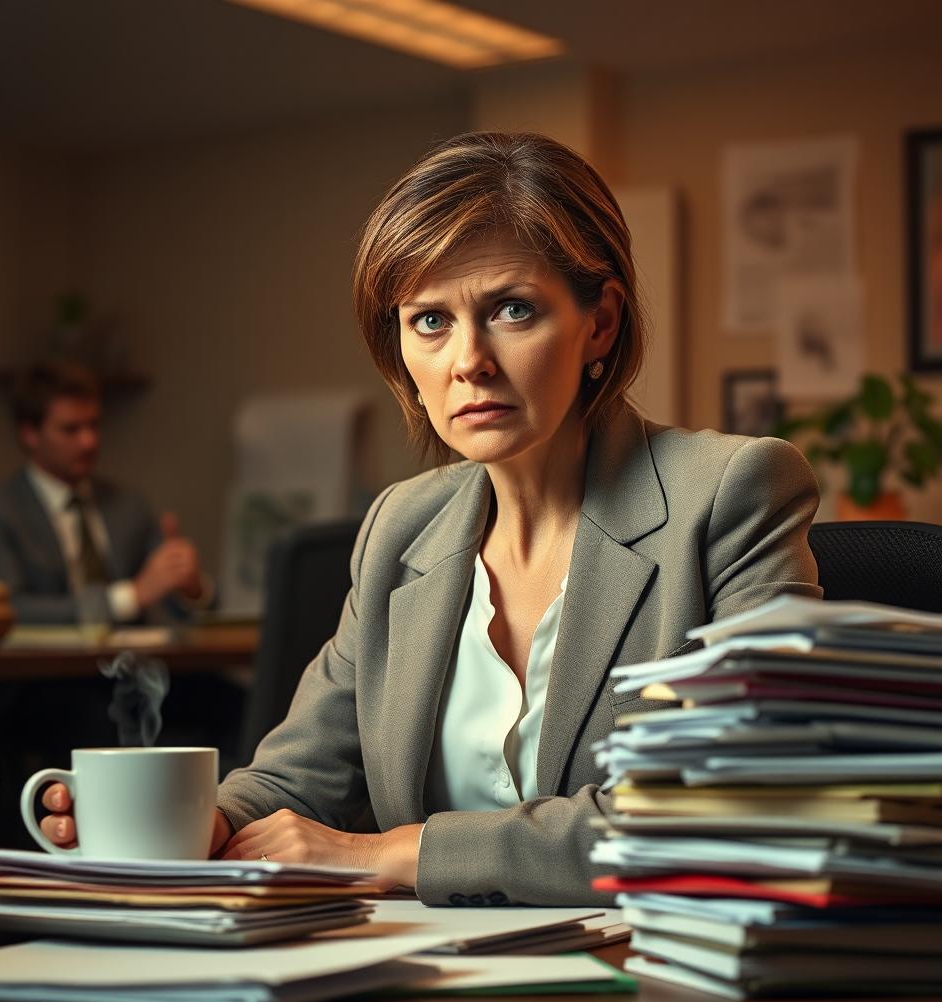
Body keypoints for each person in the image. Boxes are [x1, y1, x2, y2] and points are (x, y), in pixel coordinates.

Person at [40, 132, 821, 905]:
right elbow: (300, 775)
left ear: (601, 322)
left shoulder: (731, 491)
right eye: (430, 321)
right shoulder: (399, 529)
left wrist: (397, 851)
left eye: (512, 309)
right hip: (422, 981)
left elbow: (737, 807)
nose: (467, 361)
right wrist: (199, 825)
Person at [0, 360, 208, 624]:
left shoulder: (128, 505)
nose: (89, 441)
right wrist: (129, 597)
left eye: (94, 425)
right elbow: (8, 609)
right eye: (71, 429)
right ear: (30, 434)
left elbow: (184, 605)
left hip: (131, 661)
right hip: (48, 663)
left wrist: (190, 587)